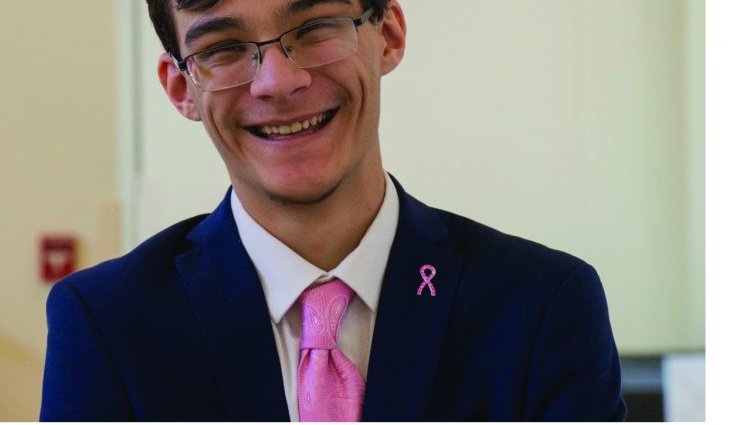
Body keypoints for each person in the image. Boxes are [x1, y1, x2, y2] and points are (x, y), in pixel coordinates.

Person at [40, 0, 628, 421]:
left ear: (388, 34)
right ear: (179, 88)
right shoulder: (109, 322)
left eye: (315, 27)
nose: (278, 81)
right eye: (223, 49)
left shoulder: (541, 306)